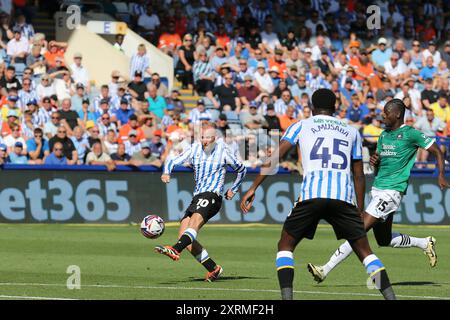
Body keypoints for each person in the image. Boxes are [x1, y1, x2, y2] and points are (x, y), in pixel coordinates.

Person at [240, 89, 396, 300]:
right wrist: (359, 210)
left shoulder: (302, 125)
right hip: (343, 198)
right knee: (365, 253)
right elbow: (359, 175)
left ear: (312, 107)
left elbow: (275, 158)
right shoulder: (351, 131)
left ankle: (287, 298)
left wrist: (253, 187)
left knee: (285, 245)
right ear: (335, 107)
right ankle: (390, 297)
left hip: (312, 195)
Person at [307, 99, 448, 285]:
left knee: (357, 229)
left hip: (392, 191)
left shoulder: (411, 134)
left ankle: (324, 269)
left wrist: (441, 175)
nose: (383, 116)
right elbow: (379, 166)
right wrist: (376, 162)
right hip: (378, 188)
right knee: (384, 239)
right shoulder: (384, 135)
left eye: (386, 112)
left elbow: (438, 151)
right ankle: (424, 243)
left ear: (397, 114)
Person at [155, 122, 247, 282]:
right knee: (185, 236)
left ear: (215, 138)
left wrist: (233, 189)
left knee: (193, 225)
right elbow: (172, 160)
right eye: (202, 137)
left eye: (208, 138)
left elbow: (242, 169)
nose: (204, 140)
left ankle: (175, 250)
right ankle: (213, 268)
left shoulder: (223, 150)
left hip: (212, 195)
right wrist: (166, 173)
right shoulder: (195, 148)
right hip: (197, 196)